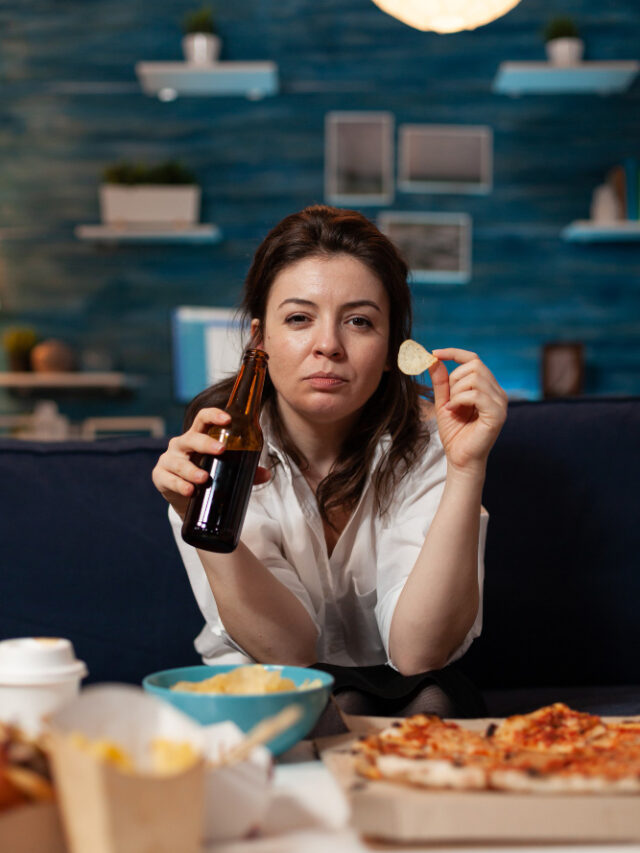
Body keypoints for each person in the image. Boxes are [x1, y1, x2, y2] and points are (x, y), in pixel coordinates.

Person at [152, 204, 508, 730]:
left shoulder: (437, 439)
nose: (328, 346)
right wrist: (204, 524)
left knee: (431, 699)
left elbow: (418, 653)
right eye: (299, 318)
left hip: (410, 700)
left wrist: (466, 468)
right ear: (260, 341)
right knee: (324, 711)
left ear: (390, 349)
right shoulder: (211, 453)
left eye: (359, 322)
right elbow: (288, 653)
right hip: (267, 695)